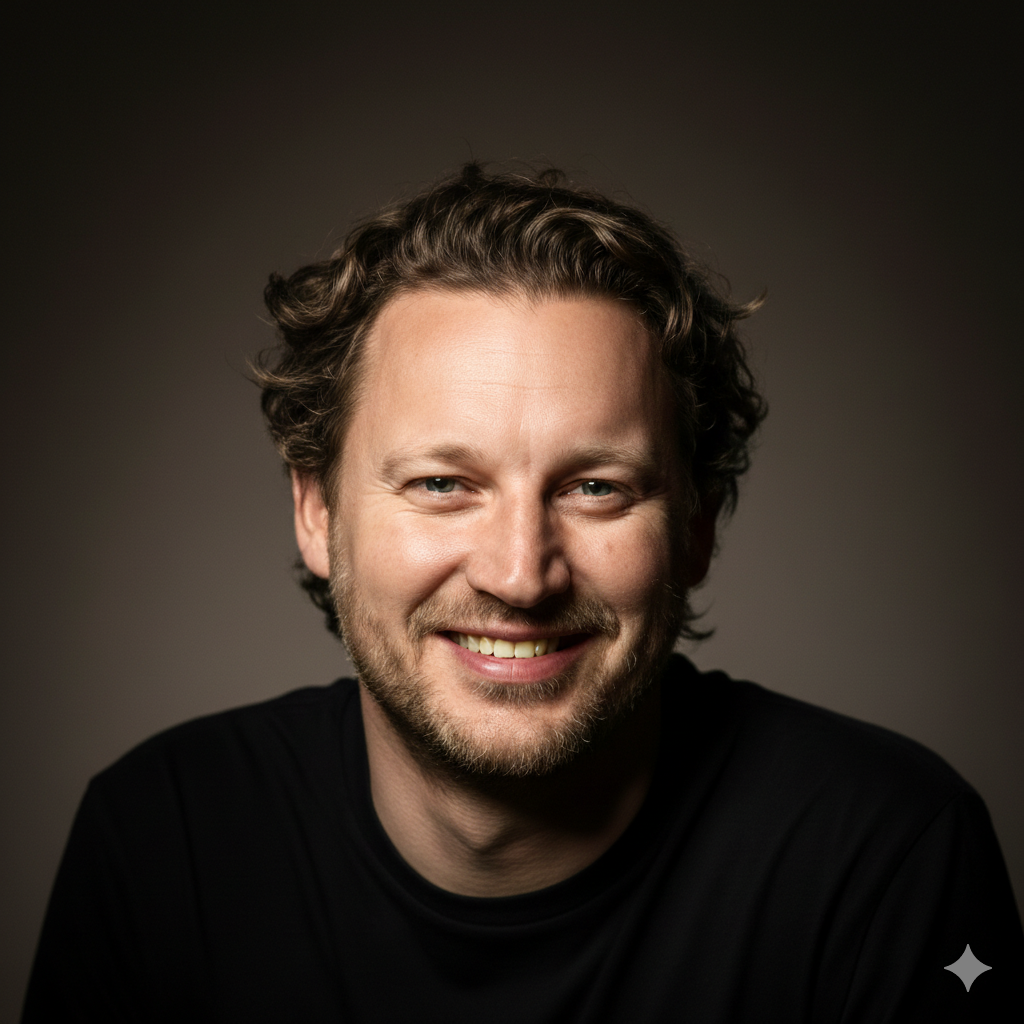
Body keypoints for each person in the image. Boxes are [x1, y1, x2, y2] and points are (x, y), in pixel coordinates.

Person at [24, 164, 1022, 1022]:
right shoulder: (165, 838)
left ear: (695, 524)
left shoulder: (885, 853)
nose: (517, 573)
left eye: (595, 487)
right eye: (442, 484)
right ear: (317, 513)